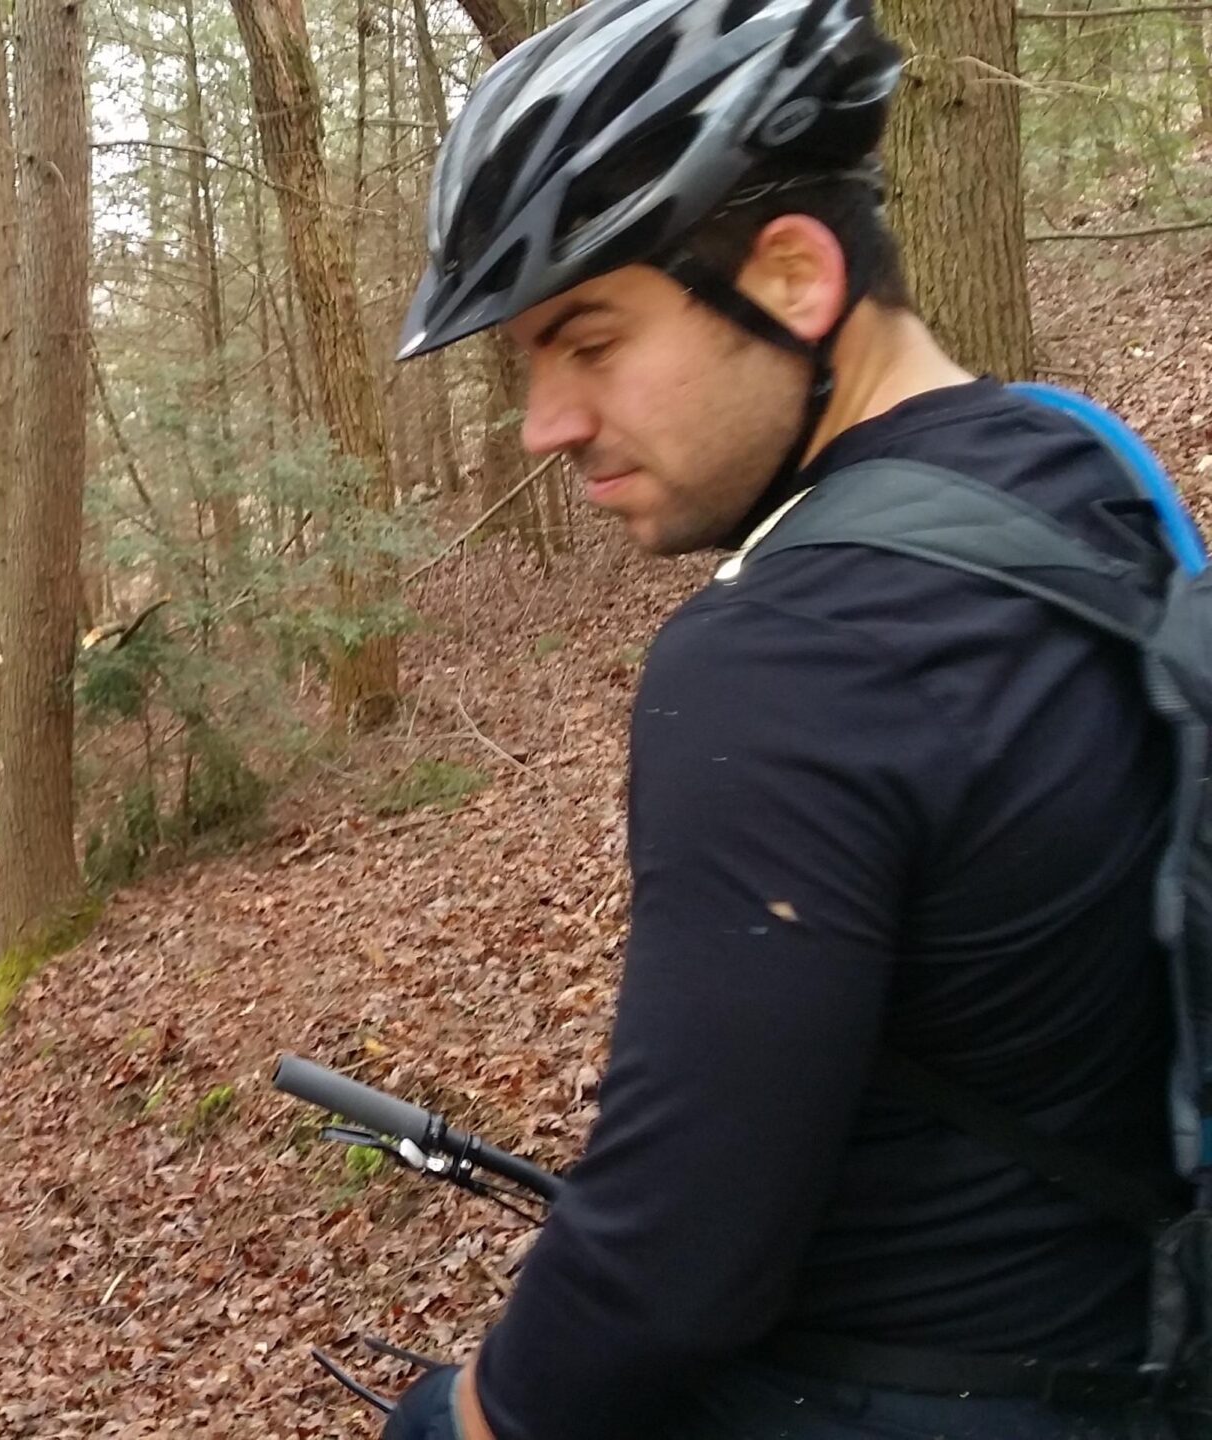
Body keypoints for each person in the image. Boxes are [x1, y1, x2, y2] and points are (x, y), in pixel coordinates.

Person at [380, 1, 1187, 1436]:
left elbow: (668, 1263)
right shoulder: (1084, 467)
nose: (542, 423)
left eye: (589, 338)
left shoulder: (786, 655)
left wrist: (470, 1415)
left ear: (794, 276)